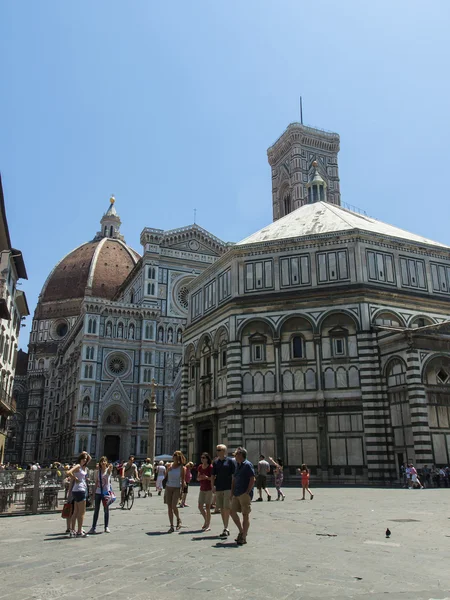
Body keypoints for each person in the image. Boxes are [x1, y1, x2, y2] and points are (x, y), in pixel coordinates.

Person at [230, 447, 255, 545]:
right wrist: (232, 492)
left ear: (241, 455)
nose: (235, 456)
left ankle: (244, 536)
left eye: (236, 454)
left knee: (245, 515)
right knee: (232, 512)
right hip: (236, 493)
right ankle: (241, 531)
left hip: (244, 493)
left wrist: (247, 491)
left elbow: (252, 479)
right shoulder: (237, 465)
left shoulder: (248, 465)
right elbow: (234, 479)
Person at [212, 444, 235, 537]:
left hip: (228, 487)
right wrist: (212, 486)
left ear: (224, 451)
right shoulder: (215, 462)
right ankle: (225, 526)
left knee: (226, 508)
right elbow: (213, 475)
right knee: (221, 508)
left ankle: (226, 527)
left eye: (219, 450)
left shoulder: (230, 461)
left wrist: (233, 488)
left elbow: (234, 475)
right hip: (219, 487)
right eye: (217, 450)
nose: (217, 451)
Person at [67, 451, 92, 537]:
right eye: (83, 459)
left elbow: (90, 459)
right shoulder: (78, 466)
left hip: (77, 490)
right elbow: (68, 472)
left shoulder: (83, 467)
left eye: (85, 460)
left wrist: (86, 453)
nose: (85, 461)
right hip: (80, 490)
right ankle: (79, 531)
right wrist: (75, 478)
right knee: (81, 512)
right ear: (80, 459)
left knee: (76, 512)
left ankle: (72, 530)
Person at [89, 456, 113, 534]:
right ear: (100, 463)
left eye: (104, 461)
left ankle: (106, 526)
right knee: (96, 510)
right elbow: (96, 483)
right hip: (98, 492)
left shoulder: (108, 471)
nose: (103, 462)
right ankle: (93, 527)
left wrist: (110, 466)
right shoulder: (98, 472)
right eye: (102, 461)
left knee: (106, 510)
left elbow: (111, 468)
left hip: (106, 493)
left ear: (106, 462)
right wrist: (93, 493)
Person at [165, 450, 186, 533]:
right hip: (168, 487)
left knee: (174, 506)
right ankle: (171, 526)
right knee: (169, 507)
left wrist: (181, 493)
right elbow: (165, 476)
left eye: (175, 456)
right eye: (173, 455)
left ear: (178, 458)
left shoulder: (182, 468)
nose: (173, 457)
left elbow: (183, 480)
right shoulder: (169, 465)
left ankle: (178, 518)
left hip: (177, 488)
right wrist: (167, 470)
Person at [197, 452, 213, 531]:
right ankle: (206, 521)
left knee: (207, 507)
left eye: (204, 458)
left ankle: (208, 525)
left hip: (209, 489)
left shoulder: (210, 467)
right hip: (202, 488)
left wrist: (206, 477)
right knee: (200, 506)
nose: (202, 459)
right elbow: (198, 477)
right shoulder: (200, 467)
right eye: (201, 457)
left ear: (207, 459)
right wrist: (200, 478)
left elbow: (213, 478)